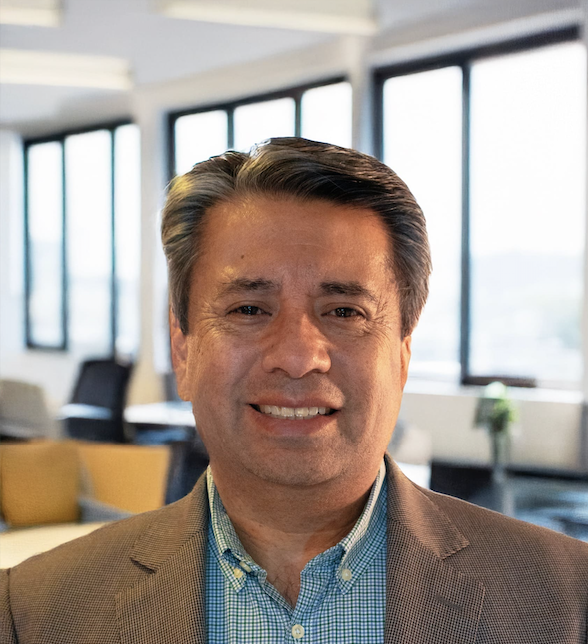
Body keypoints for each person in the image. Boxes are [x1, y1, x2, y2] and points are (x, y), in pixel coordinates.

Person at [1, 138, 586, 643]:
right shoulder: (33, 613)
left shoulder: (568, 601)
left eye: (345, 311)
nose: (299, 356)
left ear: (403, 352)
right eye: (249, 309)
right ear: (183, 349)